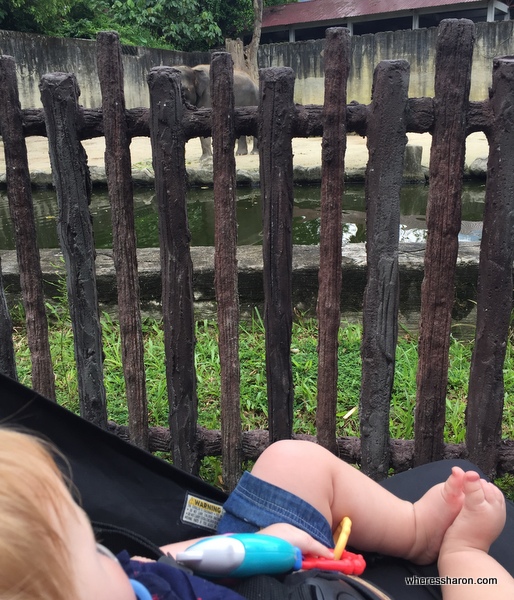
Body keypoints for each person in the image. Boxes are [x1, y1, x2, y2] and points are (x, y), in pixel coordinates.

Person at [0, 430, 511, 600]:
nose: (111, 552)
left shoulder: (121, 582)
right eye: (90, 551)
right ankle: (464, 557)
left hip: (258, 574)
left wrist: (269, 546)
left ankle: (415, 530)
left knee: (294, 461)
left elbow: (157, 564)